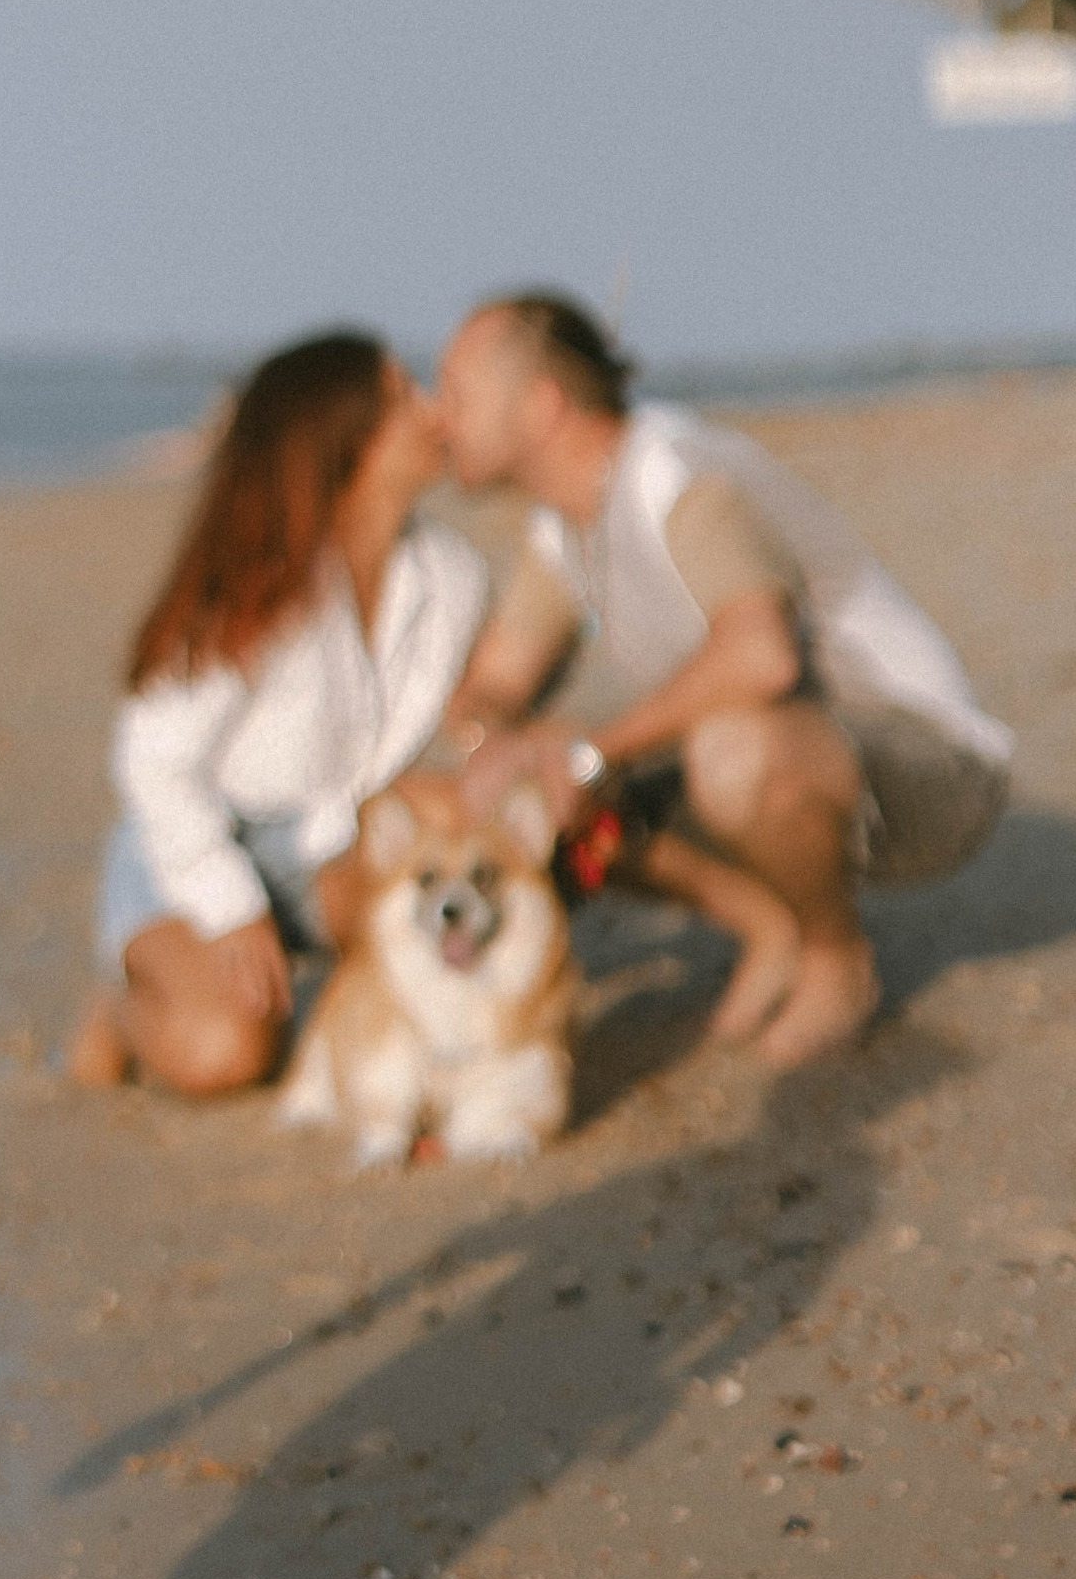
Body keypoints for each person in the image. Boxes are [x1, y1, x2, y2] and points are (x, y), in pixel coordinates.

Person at [436, 290, 1011, 1071]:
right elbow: (498, 680)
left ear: (541, 406)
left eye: (457, 394)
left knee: (730, 750)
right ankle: (769, 923)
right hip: (778, 759)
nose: (440, 418)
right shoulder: (562, 526)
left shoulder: (673, 477)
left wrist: (590, 751)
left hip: (925, 765)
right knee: (513, 787)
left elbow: (761, 655)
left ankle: (835, 958)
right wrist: (497, 741)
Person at [68, 332, 487, 1098]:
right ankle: (117, 1009)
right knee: (225, 1053)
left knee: (448, 815)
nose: (434, 410)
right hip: (194, 847)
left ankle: (345, 984)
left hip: (330, 841)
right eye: (402, 397)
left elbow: (474, 708)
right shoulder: (256, 582)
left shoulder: (452, 576)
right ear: (343, 439)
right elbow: (152, 763)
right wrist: (229, 909)